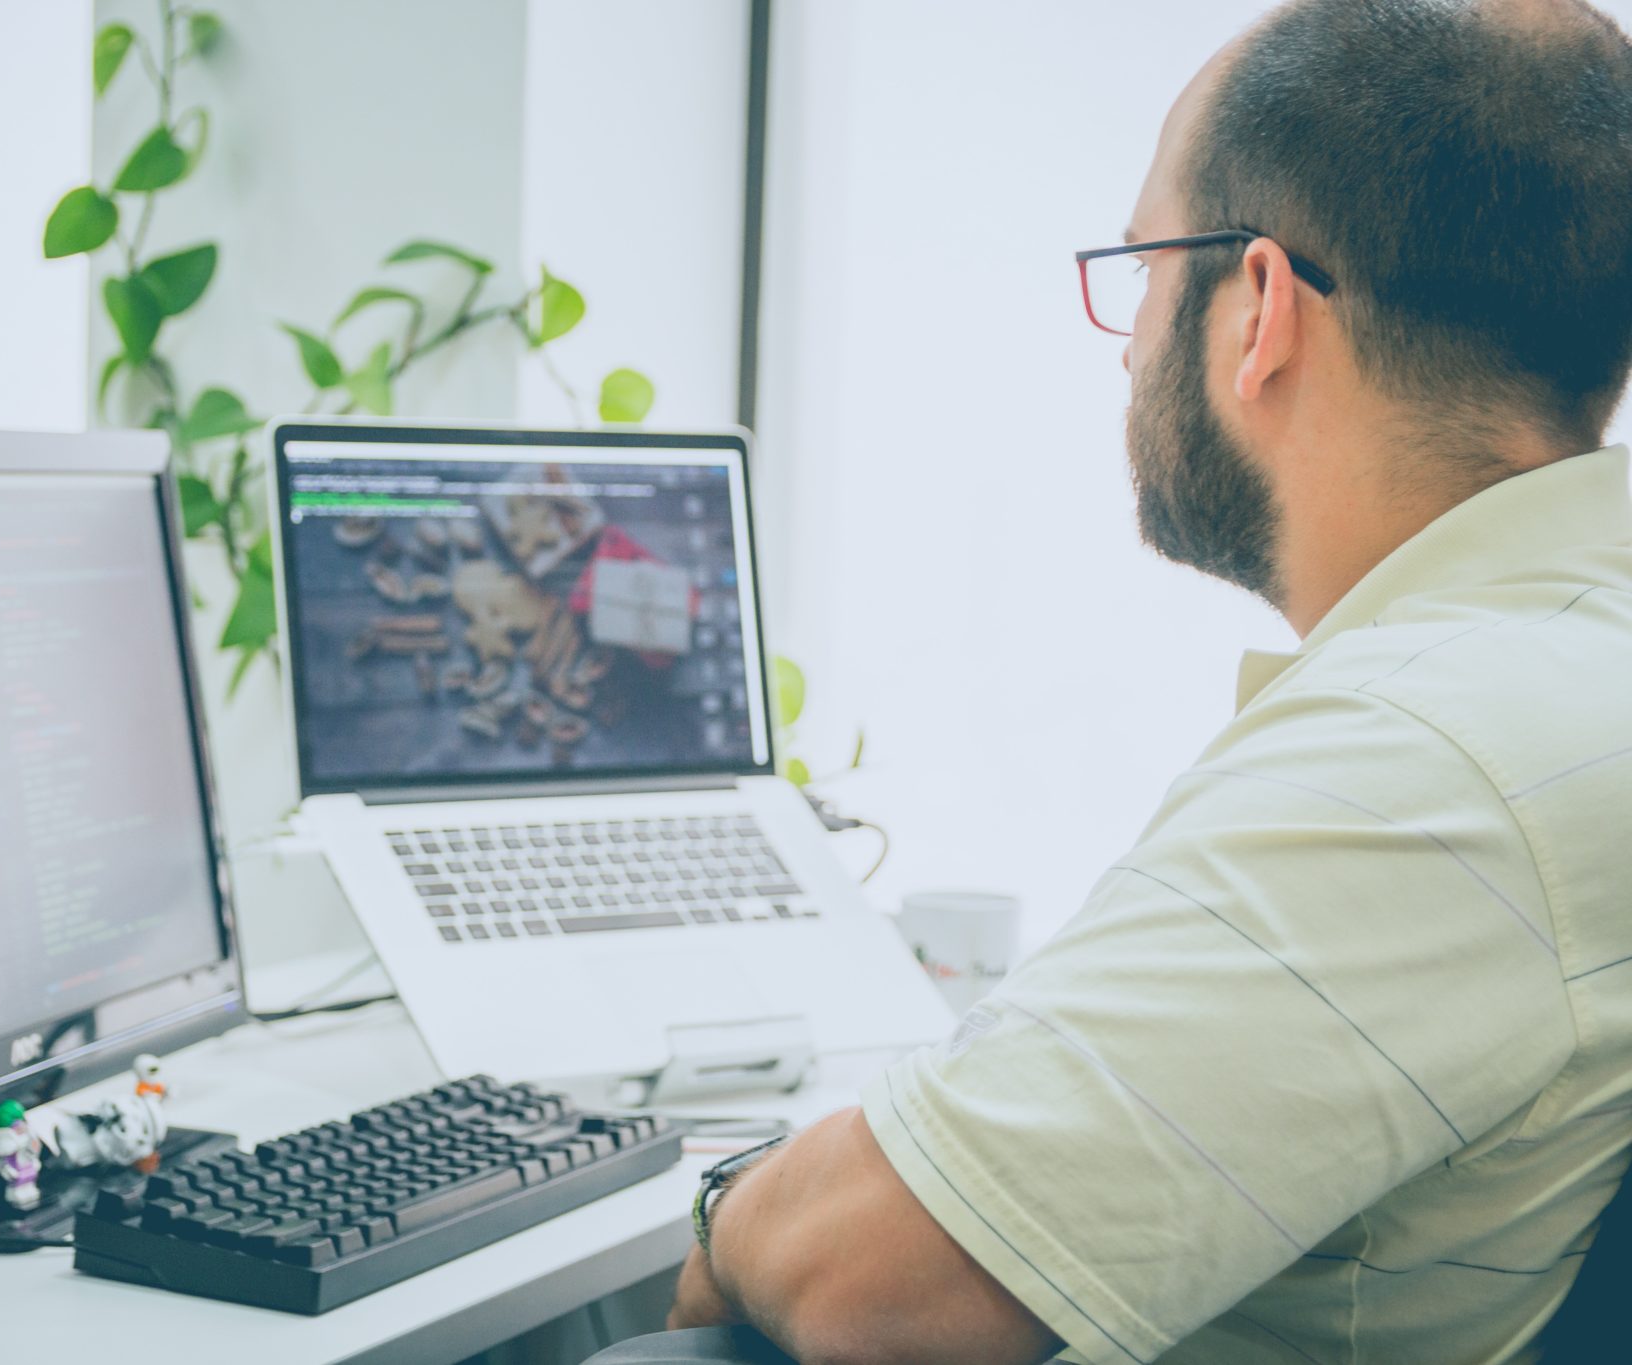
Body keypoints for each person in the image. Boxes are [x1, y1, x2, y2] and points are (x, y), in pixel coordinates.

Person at [600, 0, 1632, 1360]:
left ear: (1258, 307)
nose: (1133, 339)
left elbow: (869, 1281)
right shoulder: (1566, 667)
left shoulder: (1434, 752)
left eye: (1146, 268)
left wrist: (730, 1206)